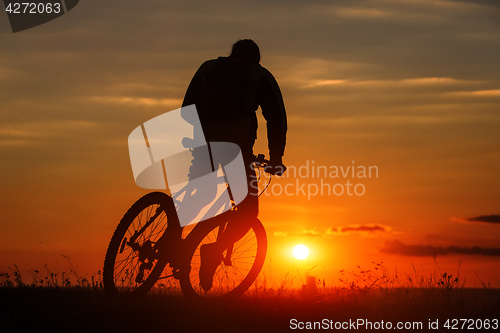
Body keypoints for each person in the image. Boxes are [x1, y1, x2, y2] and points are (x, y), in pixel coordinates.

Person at [182, 39, 287, 291]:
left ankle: (169, 244)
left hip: (202, 143)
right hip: (236, 150)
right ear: (257, 58)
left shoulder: (208, 68)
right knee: (248, 211)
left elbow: (187, 107)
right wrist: (276, 159)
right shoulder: (259, 75)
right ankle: (213, 251)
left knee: (196, 198)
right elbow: (276, 119)